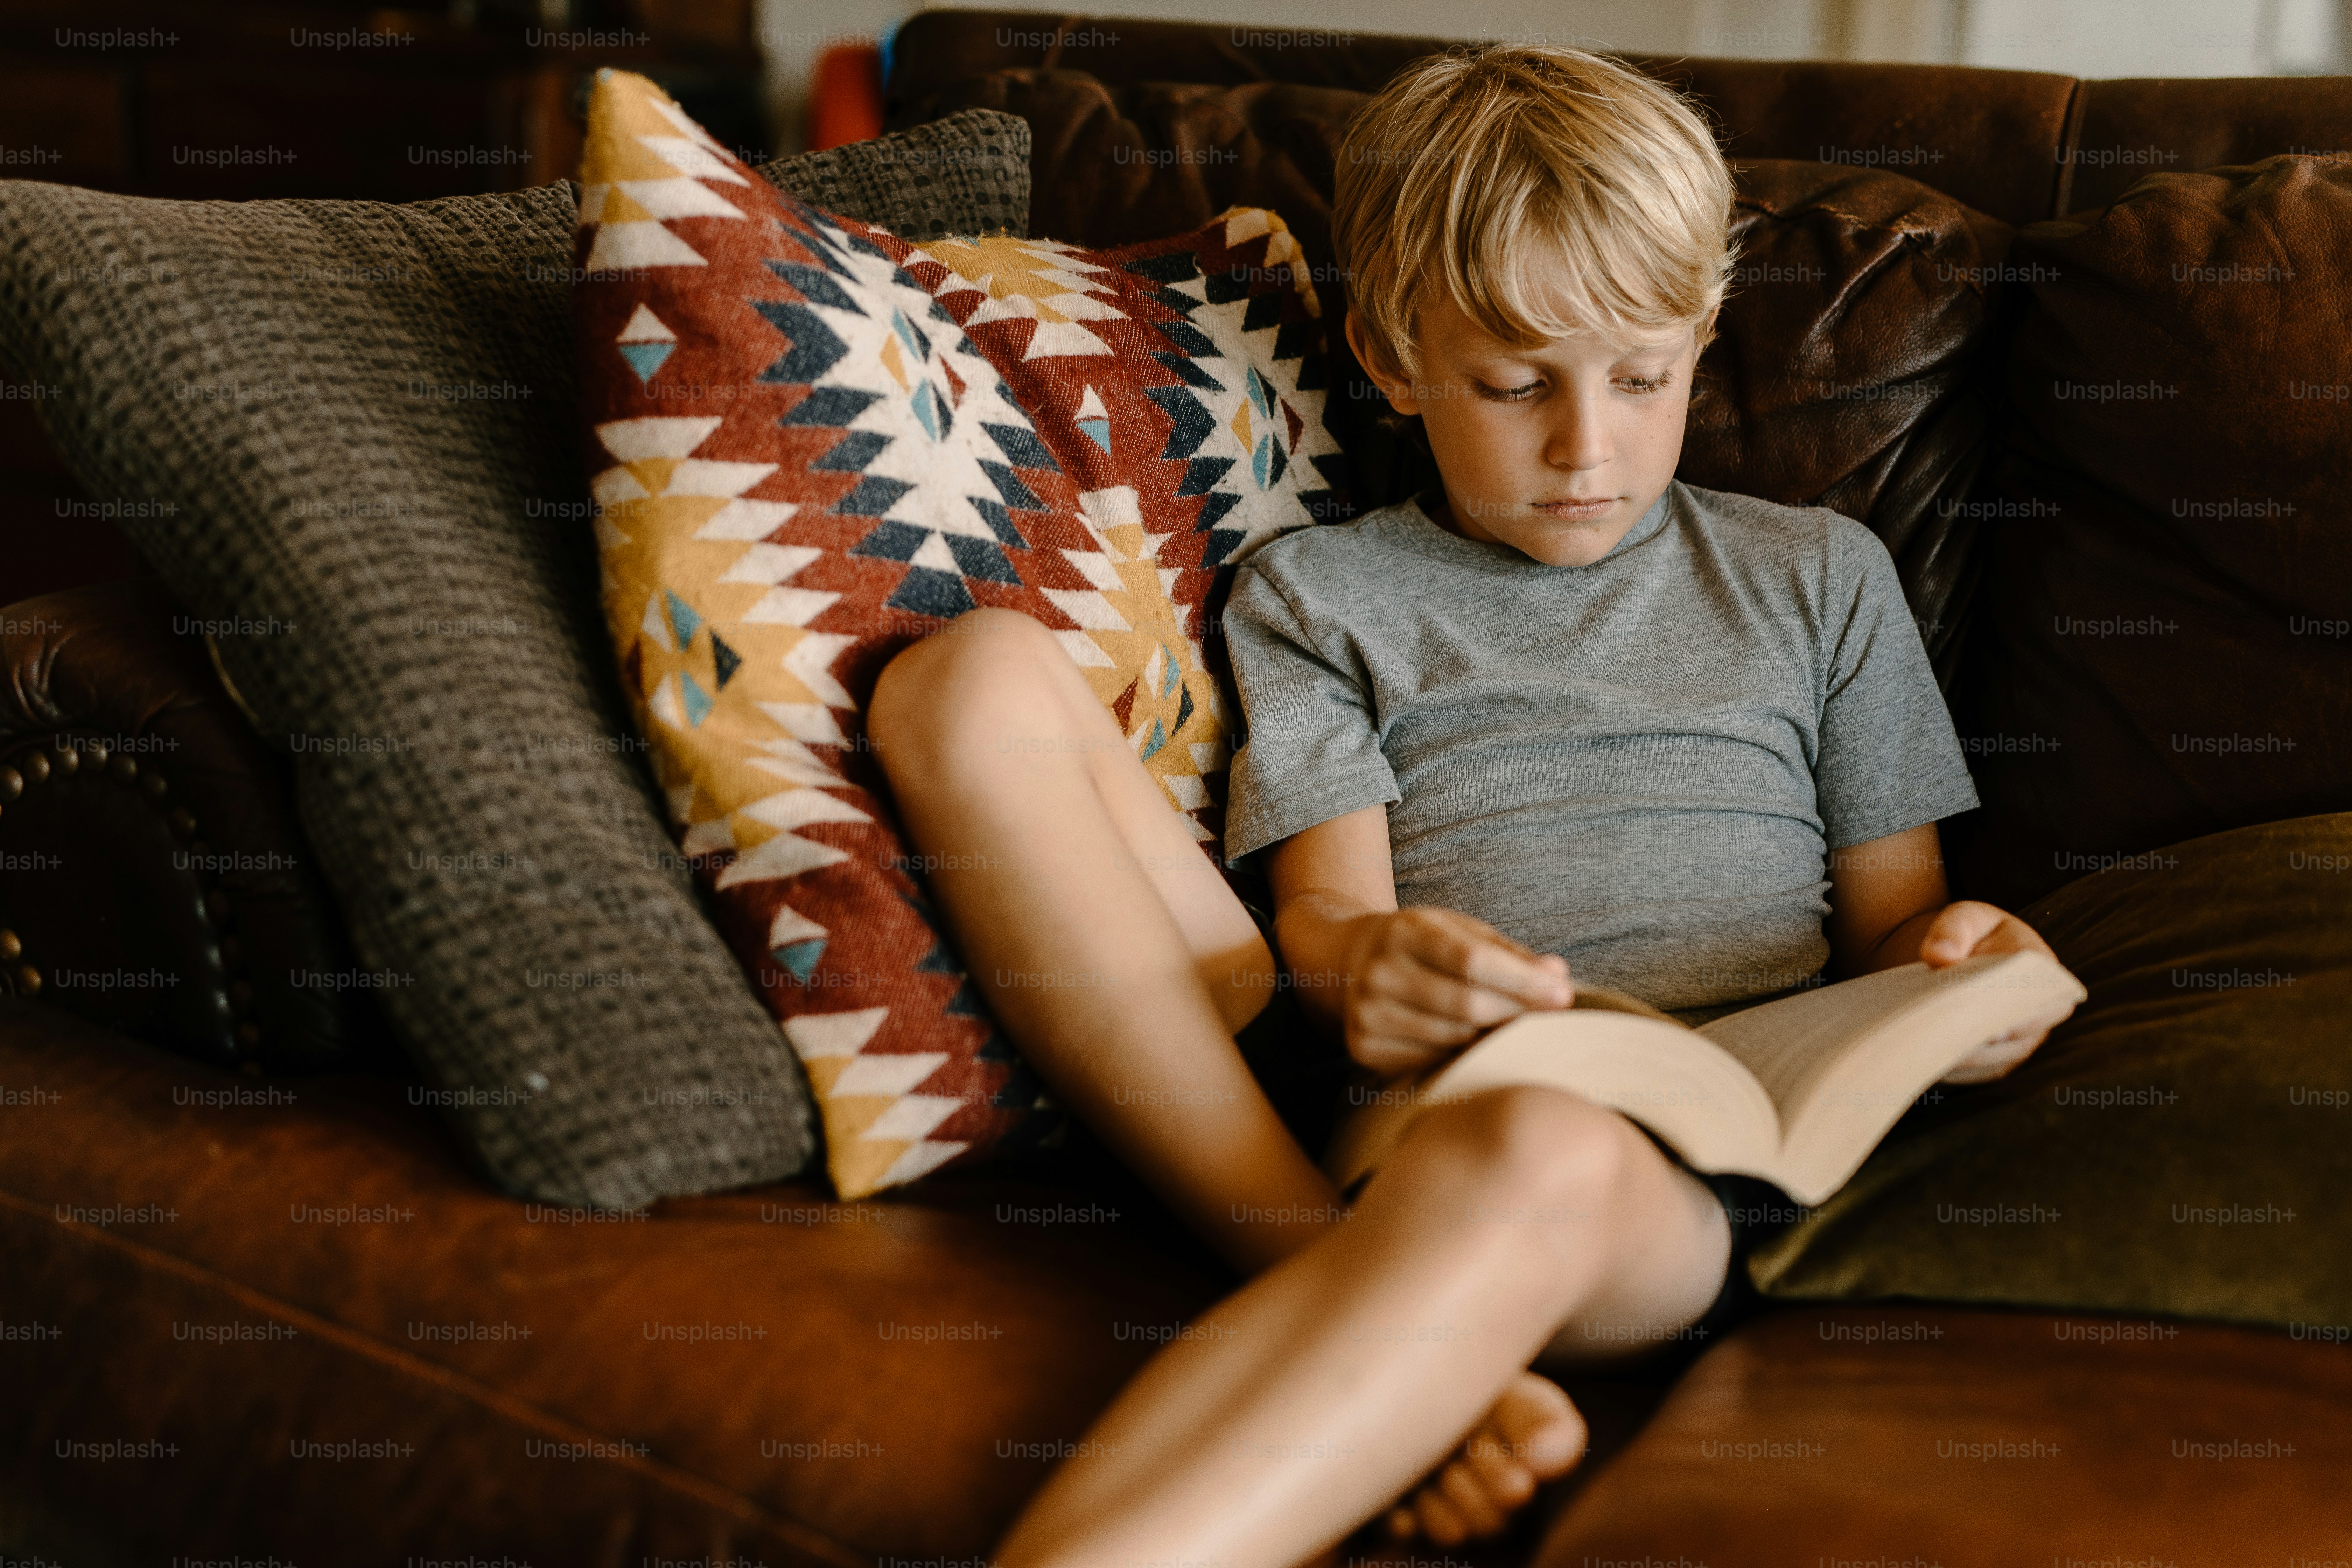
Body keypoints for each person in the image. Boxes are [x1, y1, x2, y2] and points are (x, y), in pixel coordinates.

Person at [864, 42, 2080, 1567]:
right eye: (1514, 386)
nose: (1589, 446)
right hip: (1398, 1113)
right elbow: (1328, 926)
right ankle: (1372, 1306)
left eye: (1643, 378)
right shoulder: (1321, 592)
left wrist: (1970, 976)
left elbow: (1901, 925)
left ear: (1703, 339)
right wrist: (1364, 970)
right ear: (1391, 358)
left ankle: (1386, 1355)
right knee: (967, 682)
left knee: (1535, 1149)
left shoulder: (1823, 581)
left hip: (1685, 1164)